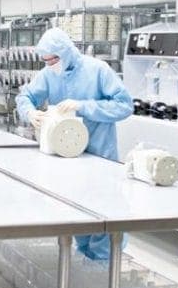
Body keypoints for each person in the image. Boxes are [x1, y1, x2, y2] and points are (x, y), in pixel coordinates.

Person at [16, 27, 133, 261]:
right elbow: (25, 96)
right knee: (76, 213)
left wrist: (83, 106)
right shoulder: (50, 73)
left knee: (104, 214)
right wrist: (29, 113)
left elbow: (124, 106)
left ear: (66, 53)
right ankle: (83, 264)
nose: (49, 64)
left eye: (53, 59)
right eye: (45, 61)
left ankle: (104, 264)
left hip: (99, 155)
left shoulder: (98, 70)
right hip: (67, 159)